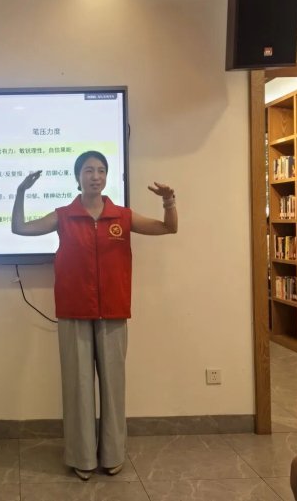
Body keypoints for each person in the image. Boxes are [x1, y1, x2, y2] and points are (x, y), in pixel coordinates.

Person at [11, 150, 178, 481]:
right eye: (88, 170)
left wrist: (169, 200)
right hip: (74, 311)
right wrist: (20, 193)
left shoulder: (122, 216)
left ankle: (113, 454)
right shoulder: (64, 216)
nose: (95, 176)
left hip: (113, 312)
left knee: (113, 388)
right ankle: (82, 456)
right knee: (78, 387)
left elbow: (168, 228)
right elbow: (19, 228)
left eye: (101, 170)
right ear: (78, 177)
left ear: (106, 177)